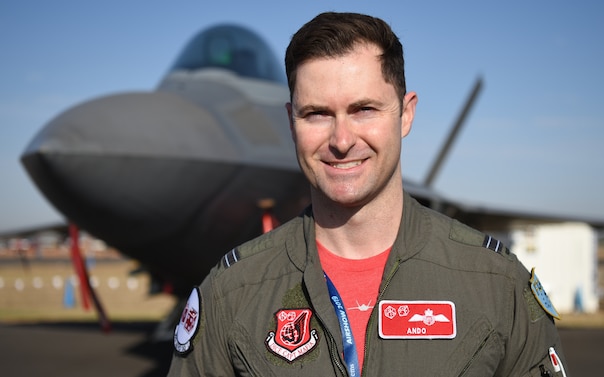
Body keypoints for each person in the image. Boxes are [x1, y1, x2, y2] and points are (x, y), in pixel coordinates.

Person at [167, 11, 568, 377]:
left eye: (364, 110)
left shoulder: (497, 285)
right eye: (317, 114)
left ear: (406, 114)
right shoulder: (231, 293)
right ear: (291, 123)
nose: (341, 140)